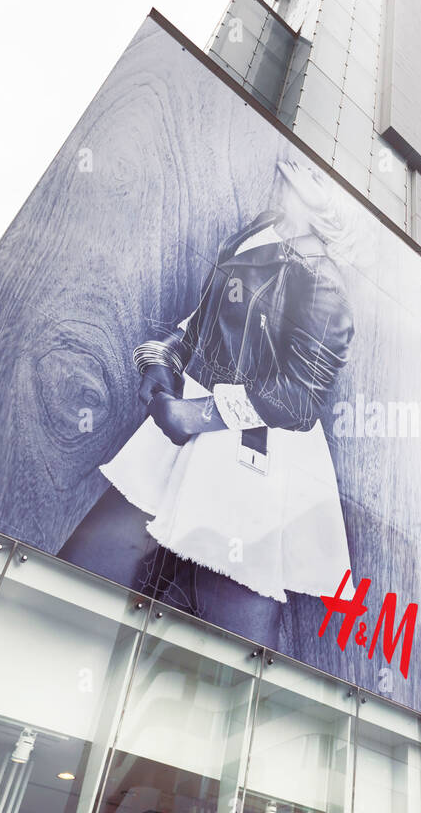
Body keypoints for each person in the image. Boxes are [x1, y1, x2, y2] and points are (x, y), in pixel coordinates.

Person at [59, 158, 356, 649]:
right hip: (184, 424)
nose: (296, 165)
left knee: (231, 656)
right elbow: (205, 318)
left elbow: (301, 399)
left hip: (251, 460)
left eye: (319, 171)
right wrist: (162, 358)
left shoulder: (322, 279)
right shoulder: (260, 229)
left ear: (330, 195)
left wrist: (199, 416)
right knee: (77, 579)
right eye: (298, 161)